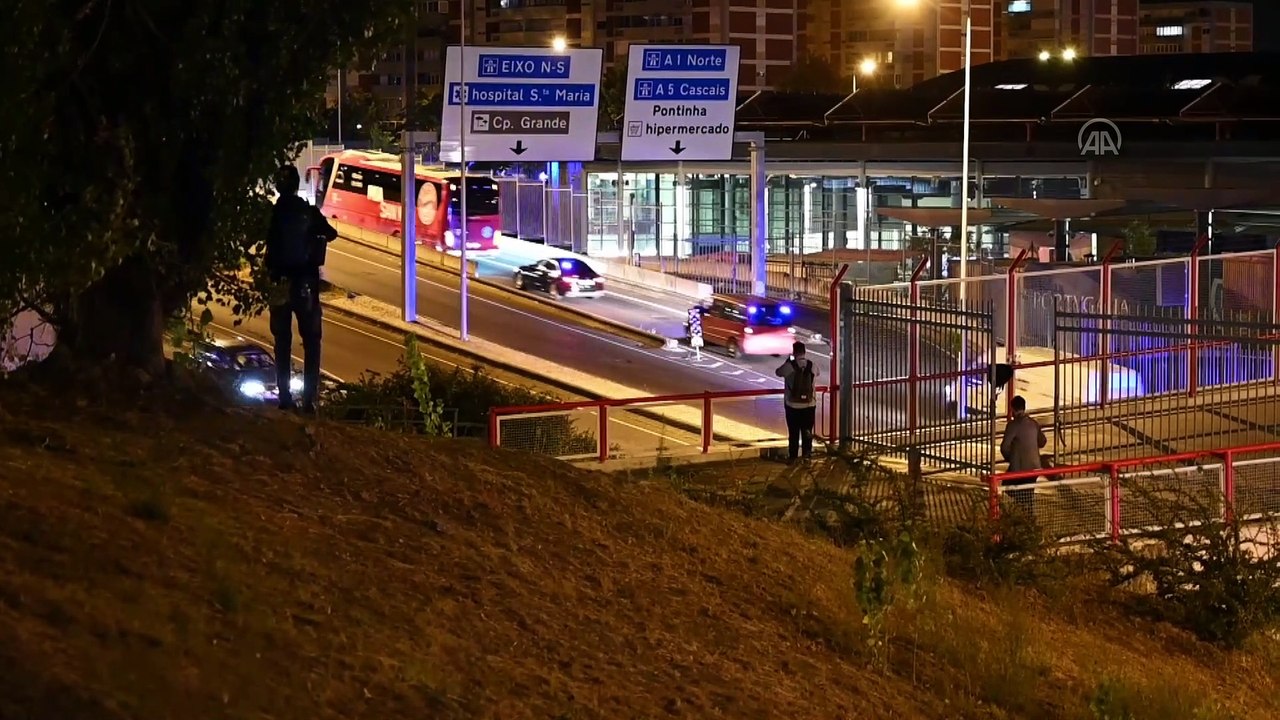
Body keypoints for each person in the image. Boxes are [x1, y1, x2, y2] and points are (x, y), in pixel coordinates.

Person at [265, 165, 337, 413]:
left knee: (282, 341)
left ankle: (285, 398)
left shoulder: (272, 214)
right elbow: (331, 233)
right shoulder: (307, 211)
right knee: (312, 341)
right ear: (297, 185)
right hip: (305, 285)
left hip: (279, 284)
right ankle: (309, 401)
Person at [999, 395, 1047, 518]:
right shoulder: (1033, 423)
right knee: (1027, 492)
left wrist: (1011, 457)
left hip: (1020, 468)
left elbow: (1004, 447)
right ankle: (1028, 517)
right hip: (1035, 467)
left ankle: (1025, 517)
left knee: (1009, 487)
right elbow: (1042, 442)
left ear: (1013, 409)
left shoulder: (1013, 425)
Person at [776, 341, 819, 463]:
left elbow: (778, 372)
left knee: (793, 433)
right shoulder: (812, 366)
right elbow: (818, 373)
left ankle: (793, 457)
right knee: (807, 432)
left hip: (792, 406)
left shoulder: (790, 366)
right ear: (804, 352)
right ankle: (807, 457)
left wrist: (788, 362)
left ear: (794, 352)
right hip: (810, 405)